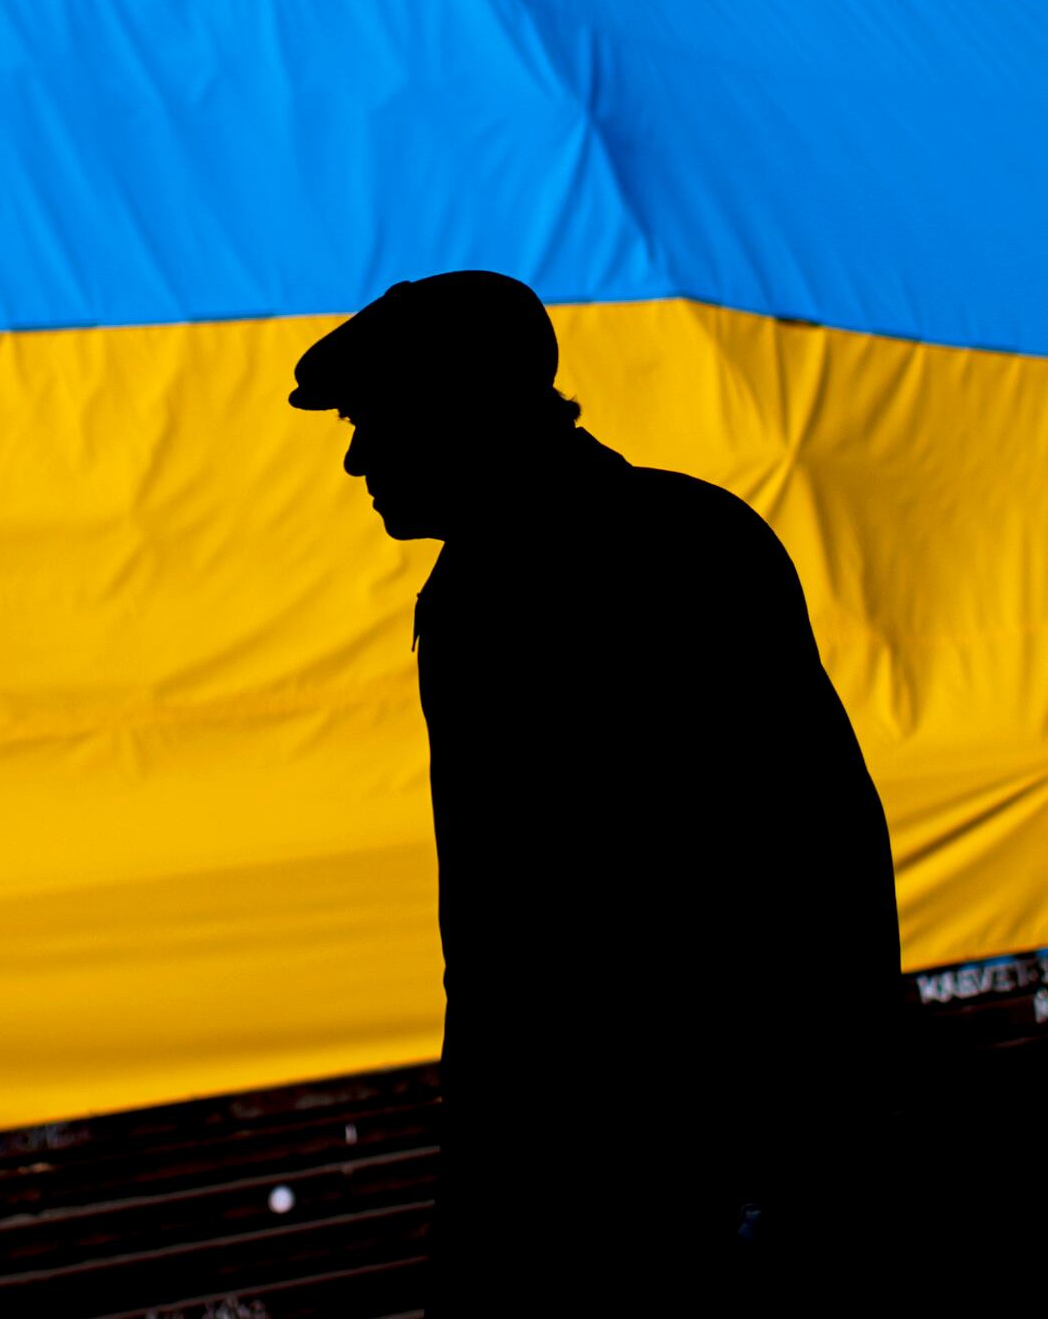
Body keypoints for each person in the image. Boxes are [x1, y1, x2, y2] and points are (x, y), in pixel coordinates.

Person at [287, 272, 901, 1314]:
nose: (356, 458)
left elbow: (518, 942)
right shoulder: (700, 530)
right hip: (750, 1144)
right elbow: (834, 848)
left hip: (621, 1170)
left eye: (372, 421)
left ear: (457, 412)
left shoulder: (495, 598)